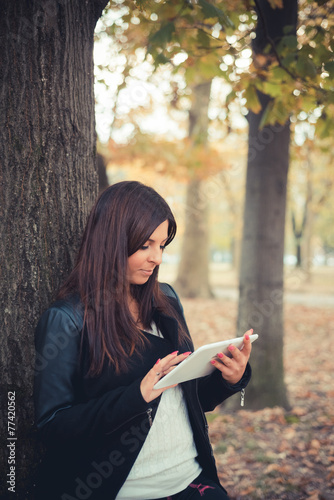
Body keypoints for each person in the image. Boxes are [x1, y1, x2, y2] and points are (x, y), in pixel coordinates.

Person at [34, 181, 253, 500]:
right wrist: (135, 395)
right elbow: (53, 426)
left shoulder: (166, 300)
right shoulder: (67, 319)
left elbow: (191, 400)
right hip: (123, 490)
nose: (157, 258)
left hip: (192, 479)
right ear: (111, 240)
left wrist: (231, 378)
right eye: (145, 245)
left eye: (162, 245)